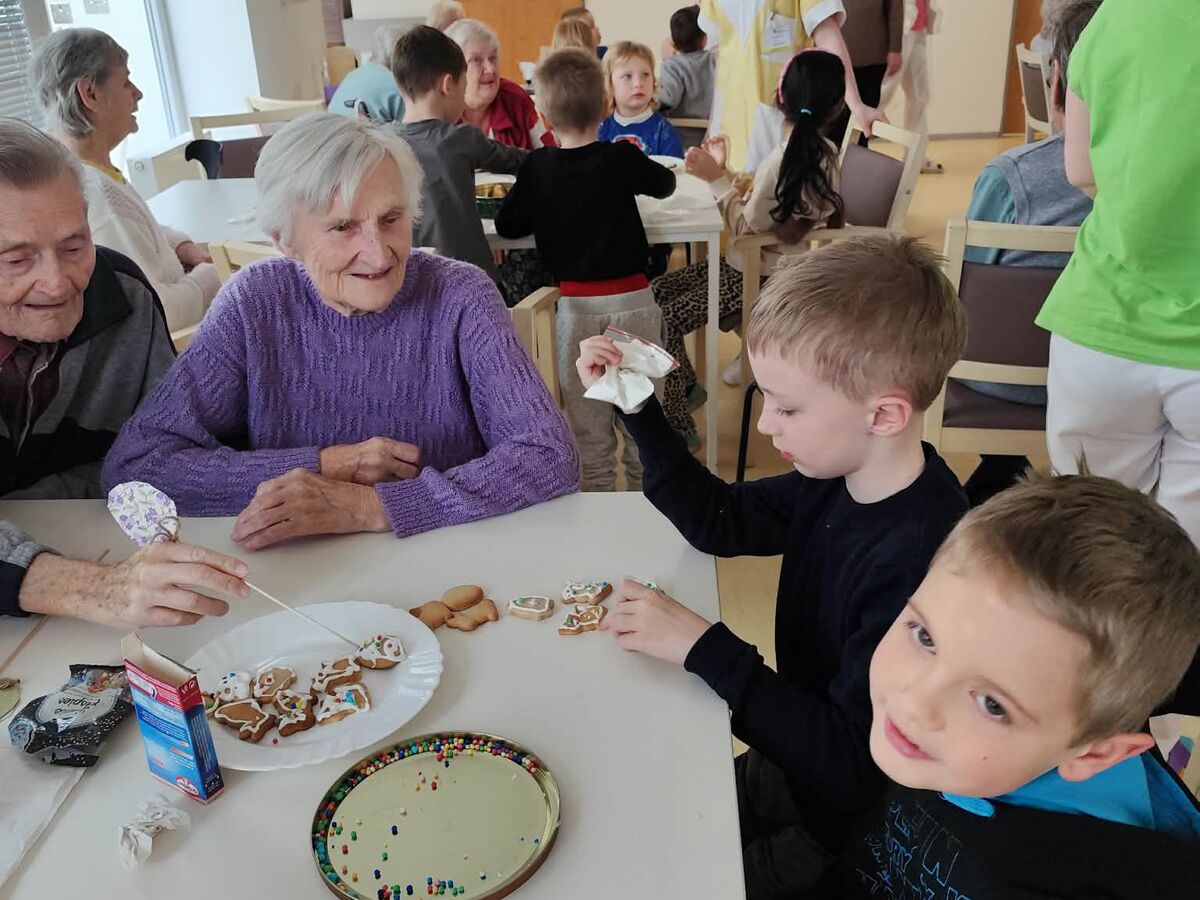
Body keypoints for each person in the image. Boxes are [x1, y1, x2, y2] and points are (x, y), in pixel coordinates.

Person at [577, 236, 968, 897]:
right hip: (793, 756)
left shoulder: (920, 563)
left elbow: (855, 767)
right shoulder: (836, 474)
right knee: (659, 820)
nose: (766, 429)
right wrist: (636, 403)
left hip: (844, 828)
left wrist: (706, 649)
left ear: (885, 413)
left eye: (787, 407)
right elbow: (719, 520)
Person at [102, 114, 579, 549]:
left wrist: (375, 506)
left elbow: (548, 456)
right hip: (298, 581)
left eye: (390, 220)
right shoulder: (255, 304)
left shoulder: (460, 296)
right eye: (343, 227)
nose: (377, 253)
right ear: (283, 239)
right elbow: (135, 469)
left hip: (452, 559)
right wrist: (326, 465)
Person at [812, 474, 1200, 898]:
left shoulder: (1067, 876)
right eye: (925, 637)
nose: (916, 701)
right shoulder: (951, 745)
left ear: (1094, 754)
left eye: (992, 705)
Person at [1036, 0, 1200, 544]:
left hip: (1102, 321)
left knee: (1090, 541)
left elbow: (1080, 170)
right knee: (1186, 557)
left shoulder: (1114, 16)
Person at [496, 50, 675, 492]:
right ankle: (649, 514)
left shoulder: (538, 167)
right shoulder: (619, 158)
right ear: (605, 106)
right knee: (643, 427)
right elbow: (666, 183)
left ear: (543, 113)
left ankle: (599, 524)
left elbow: (507, 224)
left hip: (576, 312)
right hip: (635, 304)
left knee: (588, 432)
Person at [652, 50, 846, 448]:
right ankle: (686, 385)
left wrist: (715, 180)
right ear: (837, 106)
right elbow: (776, 211)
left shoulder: (783, 158)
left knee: (661, 319)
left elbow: (745, 229)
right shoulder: (823, 154)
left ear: (779, 96)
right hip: (767, 270)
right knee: (655, 294)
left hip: (755, 278)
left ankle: (678, 423)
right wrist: (723, 172)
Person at [957, 0, 1097, 508]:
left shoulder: (1013, 176)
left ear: (1057, 80)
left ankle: (991, 488)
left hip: (997, 384)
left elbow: (964, 286)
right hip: (1099, 381)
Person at [0, 117, 173, 501]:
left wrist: (36, 503)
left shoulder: (125, 296)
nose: (58, 284)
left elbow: (164, 451)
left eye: (73, 248)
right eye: (17, 260)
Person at [30, 28, 220, 333]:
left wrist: (179, 244)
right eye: (126, 81)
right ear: (89, 94)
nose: (138, 94)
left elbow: (131, 231)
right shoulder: (90, 191)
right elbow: (157, 311)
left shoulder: (78, 169)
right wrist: (212, 275)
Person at [392, 26, 526, 281]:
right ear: (447, 85)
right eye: (464, 88)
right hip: (472, 280)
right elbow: (520, 161)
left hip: (408, 280)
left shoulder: (383, 144)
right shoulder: (461, 139)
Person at [698, 0, 886, 172]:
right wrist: (711, 123)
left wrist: (856, 104)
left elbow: (827, 33)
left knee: (768, 194)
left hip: (779, 117)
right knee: (725, 193)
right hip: (728, 119)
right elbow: (722, 54)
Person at [445, 18, 553, 150]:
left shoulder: (515, 99)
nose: (490, 69)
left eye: (493, 58)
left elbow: (550, 154)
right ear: (454, 69)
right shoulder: (441, 112)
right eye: (477, 60)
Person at [878, 0, 943, 172]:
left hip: (918, 29)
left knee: (919, 97)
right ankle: (848, 148)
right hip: (900, 32)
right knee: (882, 94)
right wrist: (893, 46)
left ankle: (916, 159)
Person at [833, 0, 903, 147]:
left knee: (863, 126)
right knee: (833, 124)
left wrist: (895, 48)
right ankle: (831, 166)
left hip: (871, 58)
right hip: (832, 60)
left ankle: (857, 165)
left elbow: (895, 8)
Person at [597, 42, 684, 158]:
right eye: (627, 76)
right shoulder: (600, 130)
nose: (638, 84)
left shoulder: (664, 132)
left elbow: (675, 173)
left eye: (645, 75)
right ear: (609, 84)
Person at [328, 24, 406, 123]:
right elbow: (412, 130)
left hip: (330, 132)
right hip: (358, 136)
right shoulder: (397, 85)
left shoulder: (353, 75)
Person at [656, 5, 717, 121]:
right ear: (704, 40)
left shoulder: (672, 66)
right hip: (707, 128)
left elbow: (669, 99)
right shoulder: (713, 60)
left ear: (673, 41)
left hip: (681, 130)